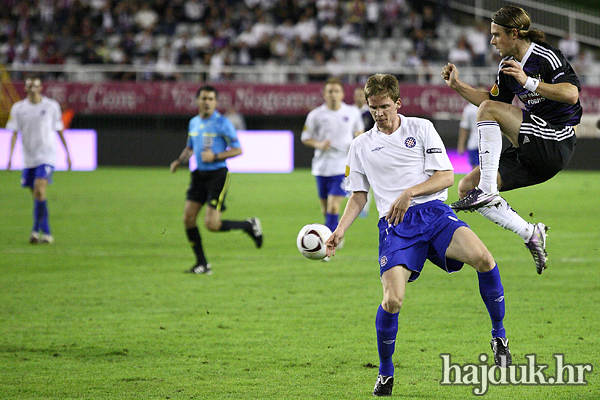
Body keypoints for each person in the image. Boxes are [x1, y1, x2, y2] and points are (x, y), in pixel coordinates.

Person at [325, 74, 511, 397]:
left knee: (484, 259)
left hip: (434, 215)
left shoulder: (421, 128)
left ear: (398, 103)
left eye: (384, 106)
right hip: (395, 226)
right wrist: (339, 230)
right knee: (392, 300)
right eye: (373, 108)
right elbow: (358, 196)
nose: (379, 114)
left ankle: (499, 335)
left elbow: (447, 177)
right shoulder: (361, 146)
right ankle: (385, 373)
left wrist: (410, 191)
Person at [441, 6, 582, 275]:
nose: (492, 41)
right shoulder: (506, 66)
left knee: (487, 121)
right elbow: (494, 104)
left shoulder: (544, 55)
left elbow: (572, 94)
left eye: (496, 35)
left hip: (557, 138)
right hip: (532, 151)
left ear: (514, 33)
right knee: (465, 187)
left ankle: (486, 190)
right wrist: (458, 86)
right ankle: (530, 233)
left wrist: (529, 82)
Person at [170, 85, 263, 275]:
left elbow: (238, 150)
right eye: (203, 98)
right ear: (197, 101)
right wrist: (180, 161)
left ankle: (248, 225)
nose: (206, 102)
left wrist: (216, 156)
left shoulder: (223, 123)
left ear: (215, 102)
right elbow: (190, 147)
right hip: (198, 175)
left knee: (211, 225)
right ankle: (202, 264)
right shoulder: (193, 123)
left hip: (218, 175)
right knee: (188, 219)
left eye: (210, 99)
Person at [6, 75, 71, 244]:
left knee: (40, 190)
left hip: (47, 156)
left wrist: (68, 153)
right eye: (29, 86)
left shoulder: (51, 106)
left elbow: (59, 130)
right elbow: (14, 133)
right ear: (25, 88)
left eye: (35, 85)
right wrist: (10, 158)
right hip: (28, 158)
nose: (32, 89)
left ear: (40, 87)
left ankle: (40, 231)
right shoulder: (18, 108)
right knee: (37, 196)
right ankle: (41, 231)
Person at [301, 78, 365, 233]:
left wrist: (357, 142)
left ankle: (329, 243)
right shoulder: (315, 115)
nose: (333, 95)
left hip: (343, 166)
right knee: (325, 209)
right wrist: (319, 144)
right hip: (322, 167)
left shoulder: (352, 112)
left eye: (336, 91)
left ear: (342, 94)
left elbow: (359, 133)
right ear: (324, 94)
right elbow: (305, 137)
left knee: (333, 205)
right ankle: (334, 232)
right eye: (330, 91)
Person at [457, 101, 480, 170]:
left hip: (475, 143)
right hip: (479, 143)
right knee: (477, 169)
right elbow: (464, 128)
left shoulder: (469, 108)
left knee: (476, 169)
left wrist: (461, 145)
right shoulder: (469, 109)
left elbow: (464, 128)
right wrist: (461, 145)